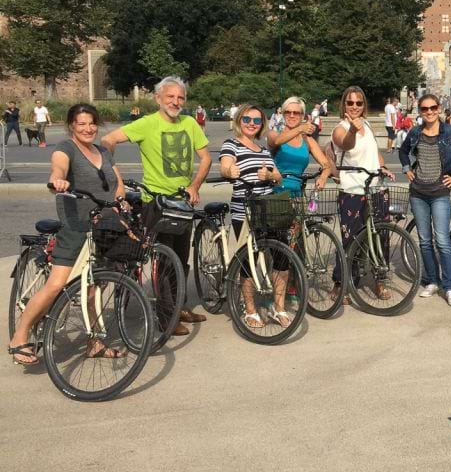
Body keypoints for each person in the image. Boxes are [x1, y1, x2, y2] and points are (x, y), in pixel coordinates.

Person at [8, 104, 127, 365]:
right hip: (76, 226)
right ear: (72, 125)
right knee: (56, 284)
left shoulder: (104, 152)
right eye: (81, 123)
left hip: (102, 227)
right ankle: (19, 336)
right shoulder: (66, 148)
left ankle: (94, 342)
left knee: (94, 286)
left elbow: (117, 182)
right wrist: (58, 181)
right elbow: (58, 169)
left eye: (92, 123)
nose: (88, 128)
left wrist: (121, 200)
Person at [102, 76, 212, 336]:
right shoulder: (146, 124)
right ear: (158, 98)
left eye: (180, 97)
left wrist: (195, 185)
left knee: (181, 258)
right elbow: (108, 140)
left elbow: (206, 157)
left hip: (182, 202)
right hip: (157, 203)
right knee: (164, 261)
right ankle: (166, 318)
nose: (176, 102)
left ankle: (178, 306)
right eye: (170, 97)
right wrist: (111, 168)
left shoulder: (189, 123)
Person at [400, 93, 451, 307]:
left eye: (433, 108)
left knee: (443, 240)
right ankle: (432, 281)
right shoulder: (415, 132)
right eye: (425, 109)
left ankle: (449, 287)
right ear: (420, 111)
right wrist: (407, 169)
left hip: (440, 192)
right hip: (418, 192)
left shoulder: (450, 132)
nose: (430, 112)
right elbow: (403, 152)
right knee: (425, 241)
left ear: (439, 109)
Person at [219, 104, 290, 329]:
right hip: (244, 210)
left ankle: (278, 307)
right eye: (247, 119)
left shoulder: (263, 150)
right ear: (239, 121)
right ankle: (250, 309)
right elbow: (226, 166)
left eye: (256, 121)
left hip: (268, 208)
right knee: (248, 261)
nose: (251, 123)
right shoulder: (231, 144)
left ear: (261, 125)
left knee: (282, 258)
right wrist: (230, 171)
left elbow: (278, 177)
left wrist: (269, 174)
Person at [332, 86, 395, 298]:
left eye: (359, 103)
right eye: (350, 103)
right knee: (351, 239)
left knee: (380, 236)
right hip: (352, 189)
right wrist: (352, 129)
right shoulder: (340, 128)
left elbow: (374, 152)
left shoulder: (366, 125)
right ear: (344, 105)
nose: (354, 107)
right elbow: (346, 145)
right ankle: (343, 283)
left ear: (363, 105)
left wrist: (382, 166)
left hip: (375, 187)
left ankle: (379, 280)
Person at [267, 96, 331, 197]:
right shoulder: (274, 134)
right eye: (288, 112)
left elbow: (326, 165)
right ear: (283, 114)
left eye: (296, 113)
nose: (291, 115)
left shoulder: (307, 140)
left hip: (297, 195)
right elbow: (276, 141)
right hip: (274, 193)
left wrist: (323, 177)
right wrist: (300, 129)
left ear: (302, 116)